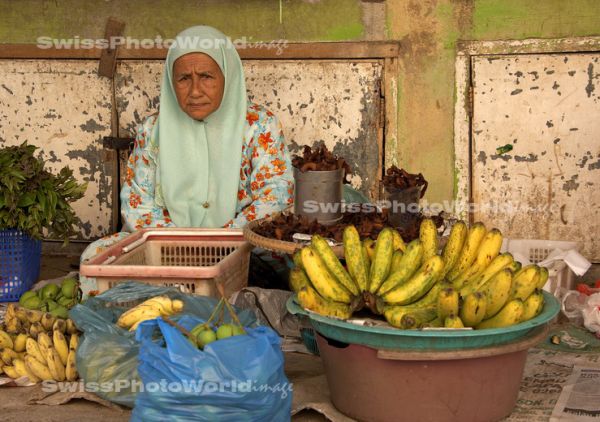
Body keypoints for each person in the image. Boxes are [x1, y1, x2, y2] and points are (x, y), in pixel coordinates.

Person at [79, 26, 294, 295]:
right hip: (166, 251)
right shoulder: (153, 129)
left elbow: (275, 197)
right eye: (183, 78)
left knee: (296, 267)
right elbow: (138, 205)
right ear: (171, 82)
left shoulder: (259, 126)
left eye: (206, 76)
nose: (194, 91)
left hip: (239, 248)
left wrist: (219, 244)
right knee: (95, 254)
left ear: (228, 76)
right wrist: (179, 247)